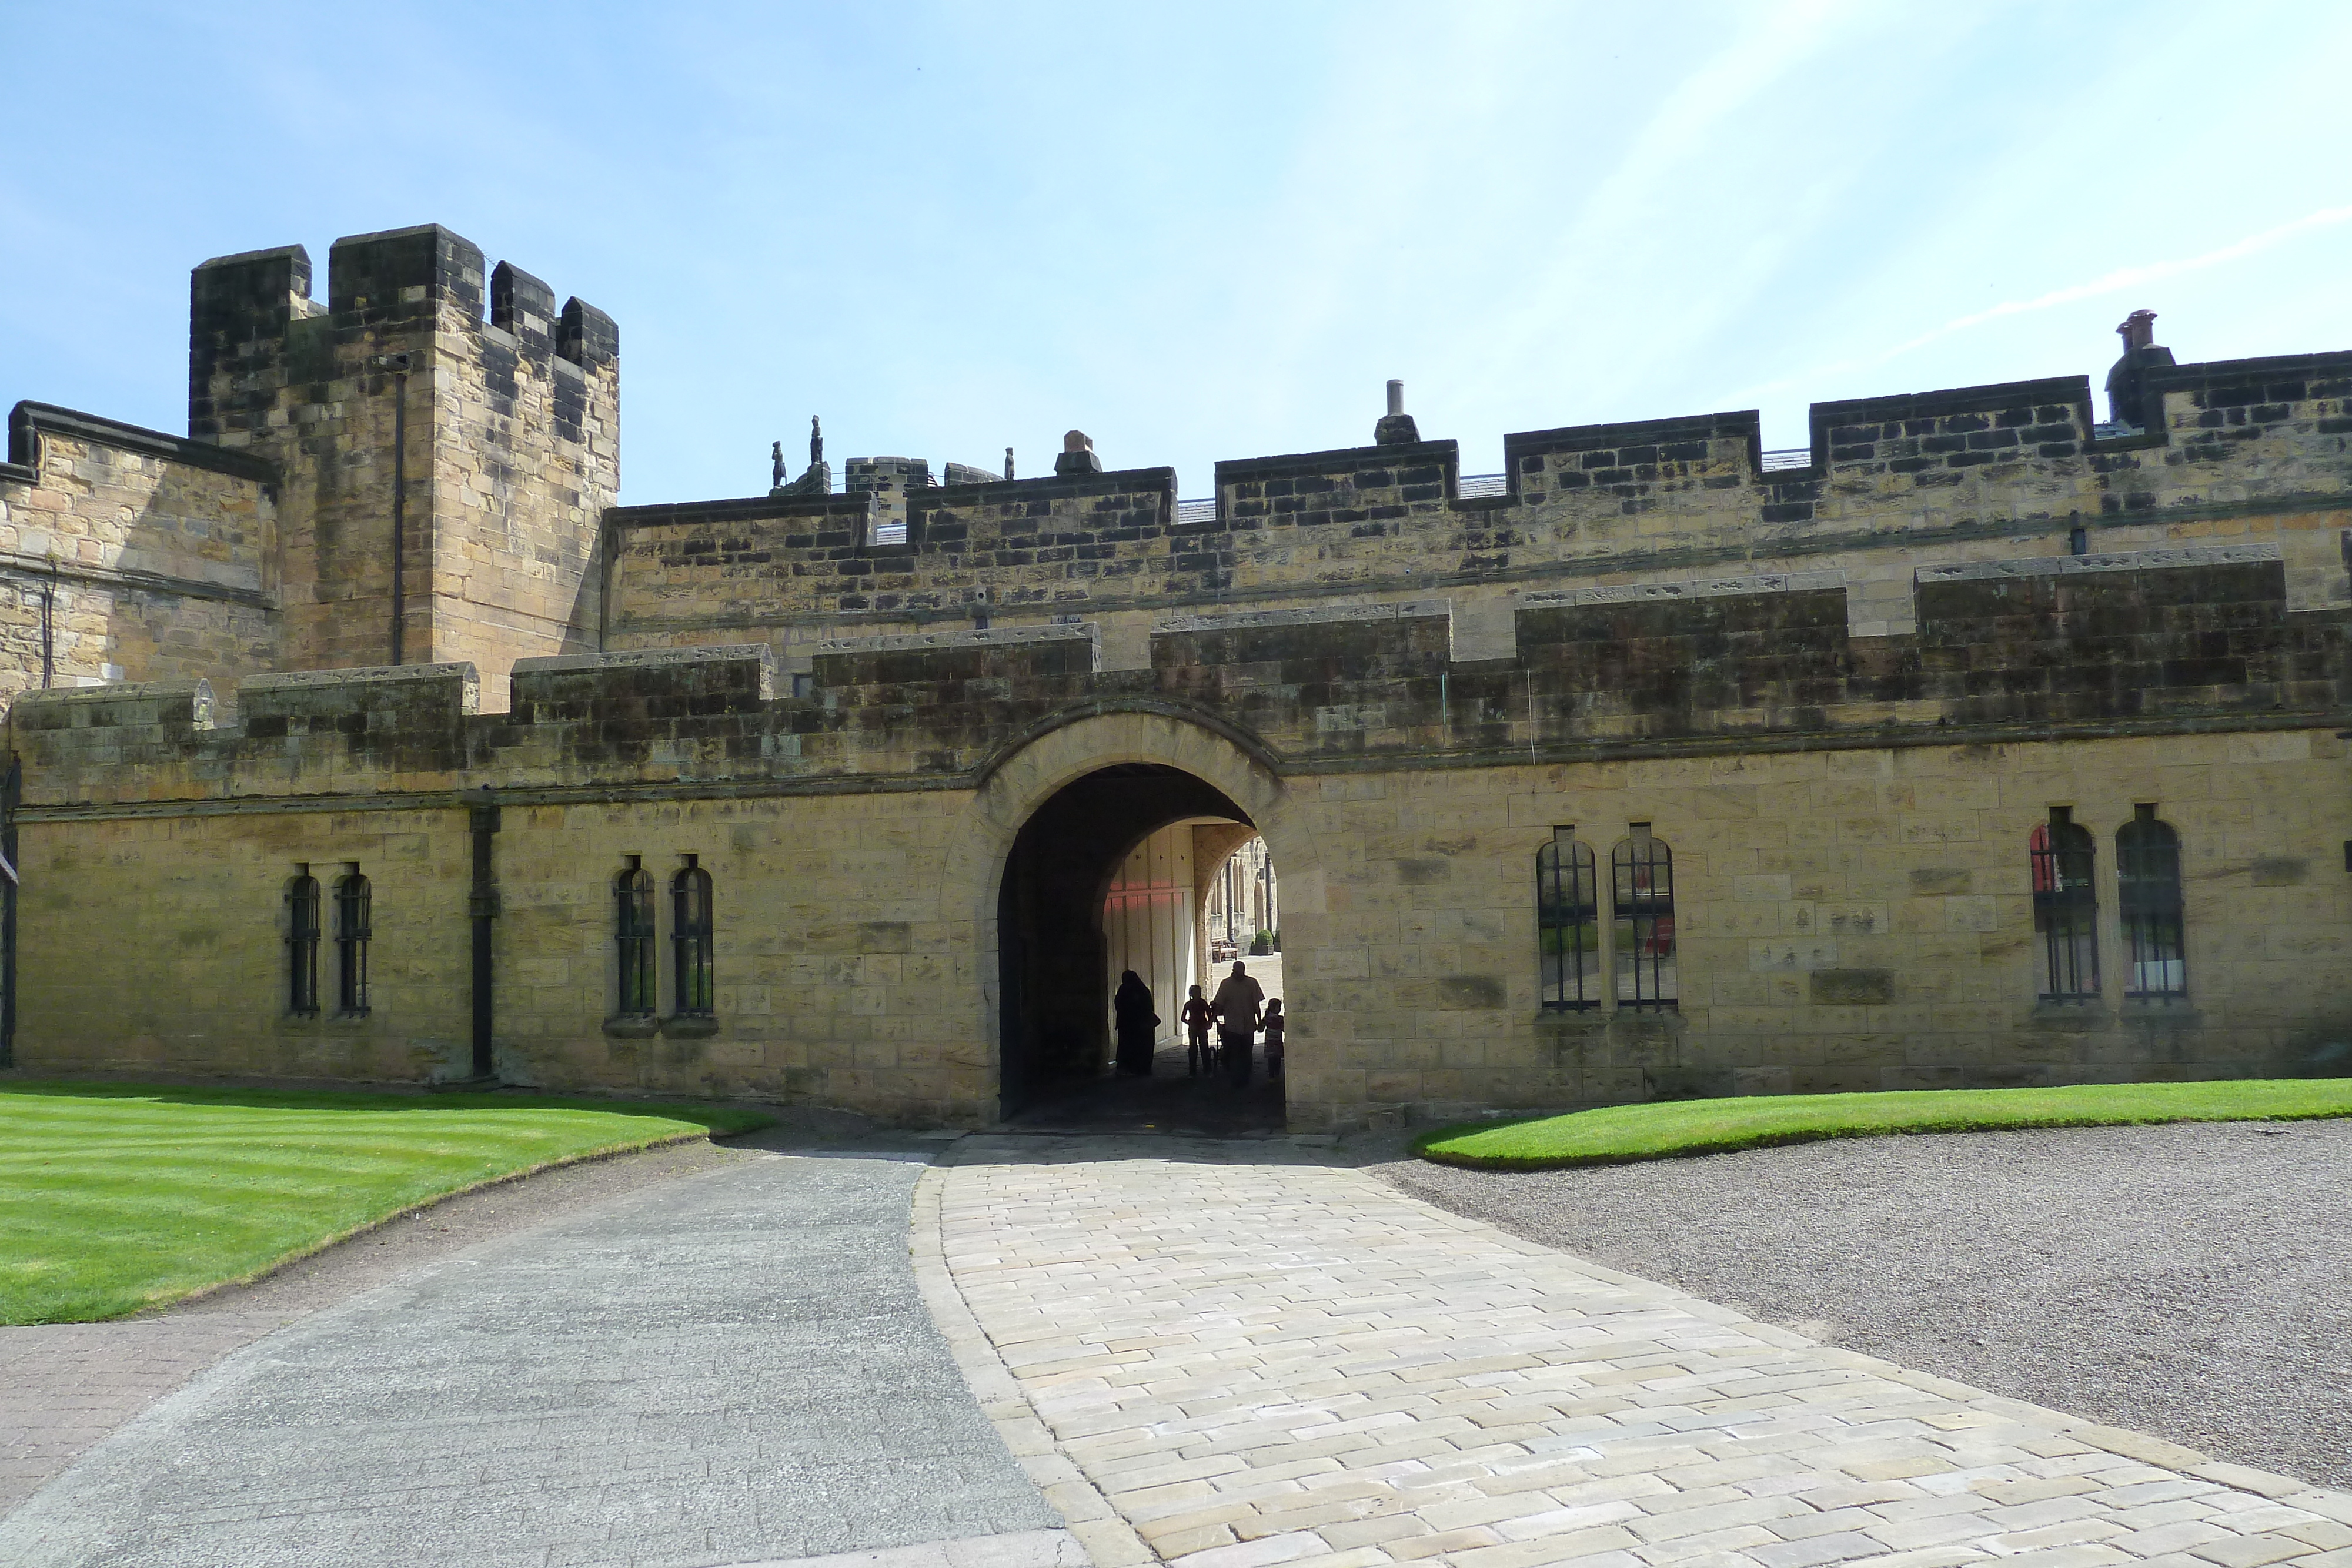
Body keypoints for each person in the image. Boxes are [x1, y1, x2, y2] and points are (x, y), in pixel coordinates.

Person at [1211, 959, 1264, 1088]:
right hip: (1233, 1025)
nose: (1241, 973)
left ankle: (1246, 1077)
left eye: (1242, 970)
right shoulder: (1226, 984)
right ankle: (1236, 1078)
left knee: (1247, 1053)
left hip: (1249, 1024)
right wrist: (1213, 1018)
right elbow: (1219, 1003)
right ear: (1233, 970)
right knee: (1235, 1053)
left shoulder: (1252, 983)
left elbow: (1256, 1004)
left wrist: (1259, 1020)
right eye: (1238, 971)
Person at [1112, 969, 1157, 1076]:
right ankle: (1142, 1068)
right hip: (1141, 1025)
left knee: (1127, 1046)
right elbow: (1149, 1007)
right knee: (1143, 1046)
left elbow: (1118, 1004)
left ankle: (1127, 1068)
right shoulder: (1142, 990)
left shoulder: (1124, 990)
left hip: (1127, 1025)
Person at [1180, 983, 1215, 1078]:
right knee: (1198, 1049)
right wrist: (1208, 1023)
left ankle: (1196, 1071)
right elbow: (1209, 1015)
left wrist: (1190, 1023)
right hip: (1198, 1027)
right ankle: (1203, 1070)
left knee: (1198, 1048)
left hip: (1196, 1028)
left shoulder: (1190, 1004)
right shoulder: (1202, 1003)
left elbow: (1183, 1018)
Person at [1261, 998, 1284, 1082]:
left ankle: (1272, 1076)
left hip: (1270, 1041)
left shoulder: (1267, 1018)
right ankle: (1277, 1075)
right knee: (1277, 1059)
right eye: (1278, 1007)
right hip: (1277, 1041)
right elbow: (1284, 1029)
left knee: (1271, 1060)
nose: (1280, 1009)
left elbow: (1261, 1029)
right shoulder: (1281, 1019)